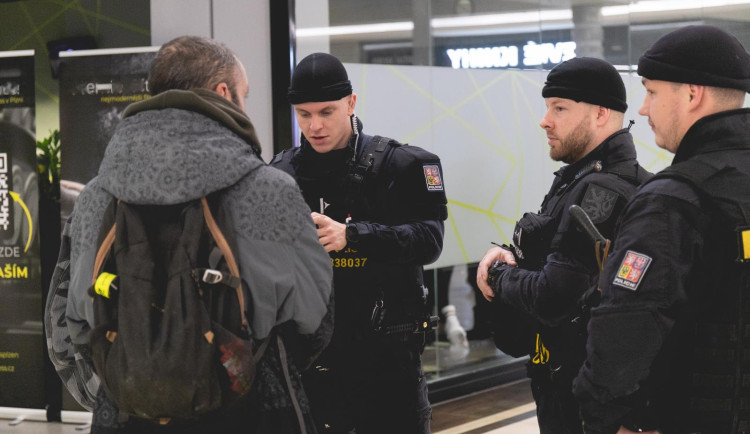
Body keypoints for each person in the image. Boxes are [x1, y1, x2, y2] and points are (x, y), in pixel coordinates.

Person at [45, 35, 333, 433]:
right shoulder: (270, 189)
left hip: (126, 411)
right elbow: (316, 316)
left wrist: (129, 383)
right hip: (252, 405)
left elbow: (64, 323)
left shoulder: (95, 196)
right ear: (223, 92)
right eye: (243, 94)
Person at [573, 25, 750, 433]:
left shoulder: (673, 199)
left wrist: (605, 417)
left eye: (651, 91)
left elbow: (626, 324)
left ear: (692, 94)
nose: (644, 109)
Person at [270, 52, 448, 434]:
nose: (315, 125)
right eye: (304, 114)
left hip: (388, 369)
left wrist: (352, 236)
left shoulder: (403, 166)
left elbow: (430, 241)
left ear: (351, 102)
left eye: (326, 112)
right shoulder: (278, 175)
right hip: (311, 368)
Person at [476, 57, 651, 434]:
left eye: (560, 108)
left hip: (582, 396)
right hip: (565, 383)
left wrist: (499, 272)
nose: (545, 120)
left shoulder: (602, 191)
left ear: (601, 113)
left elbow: (554, 294)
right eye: (546, 107)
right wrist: (510, 254)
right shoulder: (581, 179)